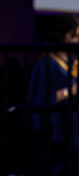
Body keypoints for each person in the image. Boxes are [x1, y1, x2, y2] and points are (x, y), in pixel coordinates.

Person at [28, 13, 79, 175]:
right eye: (75, 36)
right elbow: (40, 101)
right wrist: (71, 91)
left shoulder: (75, 62)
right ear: (62, 35)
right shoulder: (47, 64)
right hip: (59, 139)